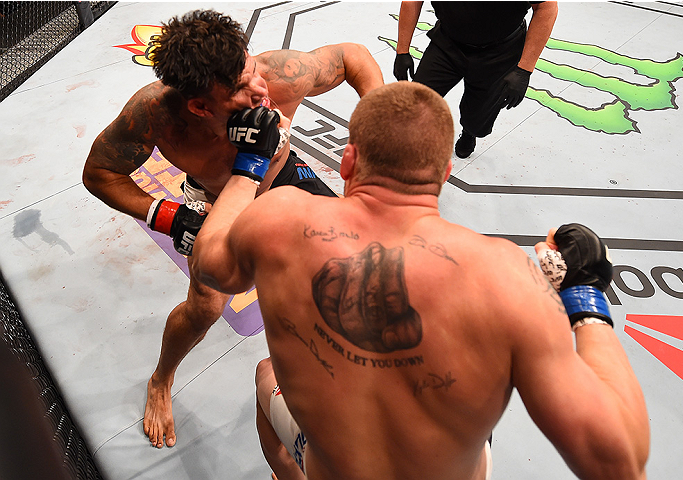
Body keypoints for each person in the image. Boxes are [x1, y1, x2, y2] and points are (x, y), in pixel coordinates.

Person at [191, 81, 649, 479]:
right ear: (444, 174)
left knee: (265, 375)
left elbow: (209, 265)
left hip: (329, 468)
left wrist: (250, 163)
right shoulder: (507, 275)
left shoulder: (279, 217)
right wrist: (584, 296)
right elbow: (619, 463)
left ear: (347, 161)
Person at [82, 9, 384, 448]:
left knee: (366, 264)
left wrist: (376, 133)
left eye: (251, 68)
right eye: (241, 88)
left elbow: (353, 56)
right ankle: (161, 379)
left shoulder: (277, 76)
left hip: (281, 180)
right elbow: (100, 174)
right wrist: (164, 215)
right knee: (205, 307)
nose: (260, 87)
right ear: (200, 106)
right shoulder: (156, 115)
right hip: (213, 202)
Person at [393, 1, 558, 158]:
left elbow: (546, 8)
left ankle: (469, 133)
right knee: (415, 103)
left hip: (500, 51)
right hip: (448, 42)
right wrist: (402, 51)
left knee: (477, 120)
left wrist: (524, 70)